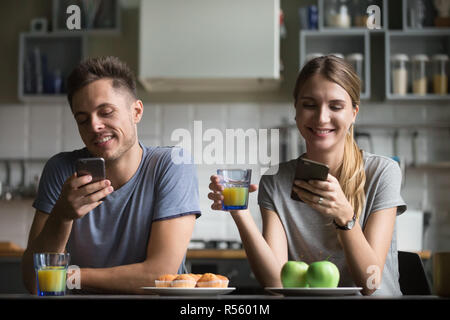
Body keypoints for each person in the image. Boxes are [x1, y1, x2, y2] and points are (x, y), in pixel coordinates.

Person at [209, 55, 406, 296]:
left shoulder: (382, 173)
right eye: (310, 105)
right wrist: (239, 212)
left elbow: (370, 285)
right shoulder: (275, 182)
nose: (322, 117)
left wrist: (345, 217)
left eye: (335, 106)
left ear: (354, 113)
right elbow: (276, 285)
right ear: (296, 111)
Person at [22, 56, 201, 294]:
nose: (94, 126)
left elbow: (160, 276)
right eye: (83, 120)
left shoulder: (172, 165)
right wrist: (62, 217)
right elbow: (34, 283)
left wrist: (68, 275)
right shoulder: (61, 169)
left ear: (136, 112)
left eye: (106, 112)